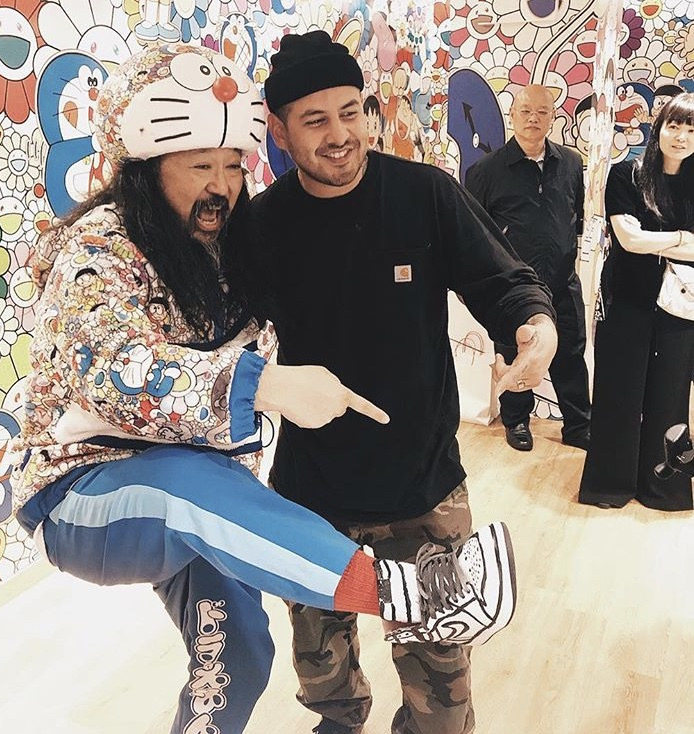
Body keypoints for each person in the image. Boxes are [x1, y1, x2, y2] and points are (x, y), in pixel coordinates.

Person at [11, 43, 519, 734]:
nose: (221, 185)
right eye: (200, 166)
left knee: (238, 654)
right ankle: (409, 593)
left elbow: (490, 279)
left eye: (231, 165)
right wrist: (263, 385)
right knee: (193, 487)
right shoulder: (103, 245)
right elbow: (106, 364)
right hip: (86, 490)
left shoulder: (230, 245)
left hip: (232, 497)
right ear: (144, 168)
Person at [246, 30, 559, 734]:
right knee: (324, 679)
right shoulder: (261, 226)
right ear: (279, 131)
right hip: (310, 496)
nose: (339, 135)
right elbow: (221, 338)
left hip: (424, 489)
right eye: (315, 120)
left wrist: (534, 324)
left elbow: (503, 280)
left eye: (350, 112)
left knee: (441, 696)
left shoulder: (425, 195)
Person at [579, 93, 694, 511]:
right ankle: (609, 486)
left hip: (680, 305)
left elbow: (645, 240)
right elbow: (627, 239)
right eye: (674, 126)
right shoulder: (627, 174)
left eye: (691, 130)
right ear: (658, 128)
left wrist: (654, 241)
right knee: (618, 392)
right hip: (626, 298)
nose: (681, 137)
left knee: (671, 395)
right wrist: (680, 239)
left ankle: (664, 488)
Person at [465, 84, 592, 452]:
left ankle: (579, 425)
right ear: (513, 115)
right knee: (514, 353)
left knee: (570, 355)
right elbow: (474, 231)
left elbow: (576, 215)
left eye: (542, 112)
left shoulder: (571, 163)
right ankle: (517, 420)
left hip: (563, 281)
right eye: (525, 111)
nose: (533, 118)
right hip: (513, 288)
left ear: (553, 117)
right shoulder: (485, 170)